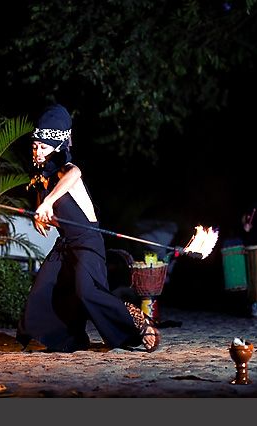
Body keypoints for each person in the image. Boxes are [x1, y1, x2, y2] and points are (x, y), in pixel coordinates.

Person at [15, 103, 160, 353]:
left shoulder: (66, 170)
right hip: (65, 245)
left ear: (58, 147)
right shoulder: (43, 179)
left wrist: (48, 202)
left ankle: (136, 323)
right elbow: (49, 217)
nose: (37, 152)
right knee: (43, 288)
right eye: (35, 146)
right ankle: (68, 338)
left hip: (87, 243)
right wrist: (42, 217)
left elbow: (75, 174)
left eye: (43, 147)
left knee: (86, 292)